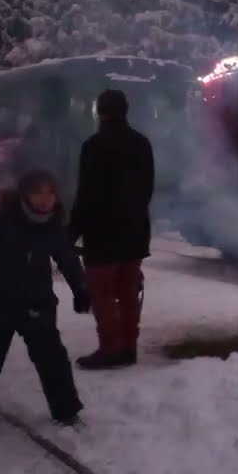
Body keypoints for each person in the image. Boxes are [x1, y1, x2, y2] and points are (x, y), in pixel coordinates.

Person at [0, 169, 90, 440]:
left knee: (53, 361)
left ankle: (66, 410)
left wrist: (80, 288)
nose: (46, 199)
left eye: (50, 192)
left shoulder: (52, 225)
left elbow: (67, 258)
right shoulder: (1, 223)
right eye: (38, 192)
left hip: (36, 302)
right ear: (25, 195)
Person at [69, 89, 154, 369]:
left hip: (102, 233)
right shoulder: (142, 144)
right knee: (129, 291)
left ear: (100, 112)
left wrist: (71, 233)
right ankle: (130, 346)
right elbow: (147, 188)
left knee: (103, 293)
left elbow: (86, 194)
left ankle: (110, 347)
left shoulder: (93, 146)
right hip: (135, 230)